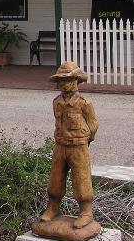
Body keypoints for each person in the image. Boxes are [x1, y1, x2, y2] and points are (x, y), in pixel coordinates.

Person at [39, 61, 99, 228]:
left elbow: (93, 125)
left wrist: (84, 141)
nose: (63, 84)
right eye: (61, 81)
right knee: (56, 178)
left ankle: (86, 212)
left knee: (81, 178)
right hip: (60, 145)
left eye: (67, 80)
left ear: (76, 81)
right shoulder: (56, 102)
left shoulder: (84, 103)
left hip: (78, 146)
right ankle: (53, 207)